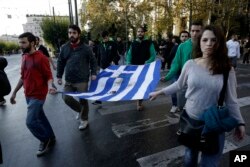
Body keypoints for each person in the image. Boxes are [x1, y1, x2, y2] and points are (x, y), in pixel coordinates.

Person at [149, 25, 245, 167]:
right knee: (190, 158)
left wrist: (240, 122)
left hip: (213, 124)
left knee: (210, 164)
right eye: (205, 40)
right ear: (199, 43)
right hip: (191, 121)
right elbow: (179, 85)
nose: (209, 44)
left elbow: (231, 100)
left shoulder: (227, 69)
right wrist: (159, 92)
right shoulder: (190, 64)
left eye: (213, 40)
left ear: (219, 43)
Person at [10, 32, 57, 156]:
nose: (21, 45)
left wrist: (50, 86)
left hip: (38, 95)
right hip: (28, 95)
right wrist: (14, 93)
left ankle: (44, 139)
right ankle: (51, 137)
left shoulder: (41, 57)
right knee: (40, 117)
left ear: (32, 43)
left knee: (30, 122)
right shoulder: (24, 57)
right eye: (20, 43)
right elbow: (23, 77)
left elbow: (48, 76)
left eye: (23, 42)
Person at [57, 25, 97, 130]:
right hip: (69, 80)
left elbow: (93, 61)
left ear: (78, 34)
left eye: (74, 33)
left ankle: (84, 119)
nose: (71, 35)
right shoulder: (65, 48)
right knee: (66, 98)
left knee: (83, 100)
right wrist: (59, 76)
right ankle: (80, 110)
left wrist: (94, 73)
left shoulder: (86, 48)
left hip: (82, 80)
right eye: (70, 33)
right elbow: (60, 62)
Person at [161, 21, 202, 113]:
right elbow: (176, 63)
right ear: (190, 31)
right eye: (193, 31)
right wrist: (168, 76)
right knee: (183, 106)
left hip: (201, 81)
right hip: (186, 80)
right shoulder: (182, 46)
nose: (195, 33)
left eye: (198, 31)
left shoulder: (206, 45)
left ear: (202, 31)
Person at [126, 26, 156, 111]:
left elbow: (153, 55)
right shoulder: (133, 43)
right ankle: (137, 100)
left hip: (144, 68)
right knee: (135, 85)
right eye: (138, 31)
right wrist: (128, 62)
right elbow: (129, 54)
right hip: (134, 68)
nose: (140, 33)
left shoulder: (149, 43)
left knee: (141, 86)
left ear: (144, 33)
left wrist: (146, 63)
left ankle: (139, 103)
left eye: (141, 32)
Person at [92, 31, 119, 106]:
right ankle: (98, 100)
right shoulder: (100, 45)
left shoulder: (113, 44)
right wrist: (97, 65)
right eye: (103, 38)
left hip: (112, 67)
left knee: (113, 81)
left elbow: (117, 55)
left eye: (106, 37)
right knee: (101, 83)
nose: (105, 39)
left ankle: (115, 94)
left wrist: (114, 61)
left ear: (108, 36)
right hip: (102, 67)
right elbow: (98, 56)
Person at [166, 31, 190, 113]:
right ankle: (174, 105)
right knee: (174, 89)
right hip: (176, 72)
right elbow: (170, 57)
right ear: (180, 38)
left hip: (186, 73)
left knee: (186, 89)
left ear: (188, 37)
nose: (184, 38)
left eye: (186, 36)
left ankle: (184, 105)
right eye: (182, 36)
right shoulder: (176, 47)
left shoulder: (191, 47)